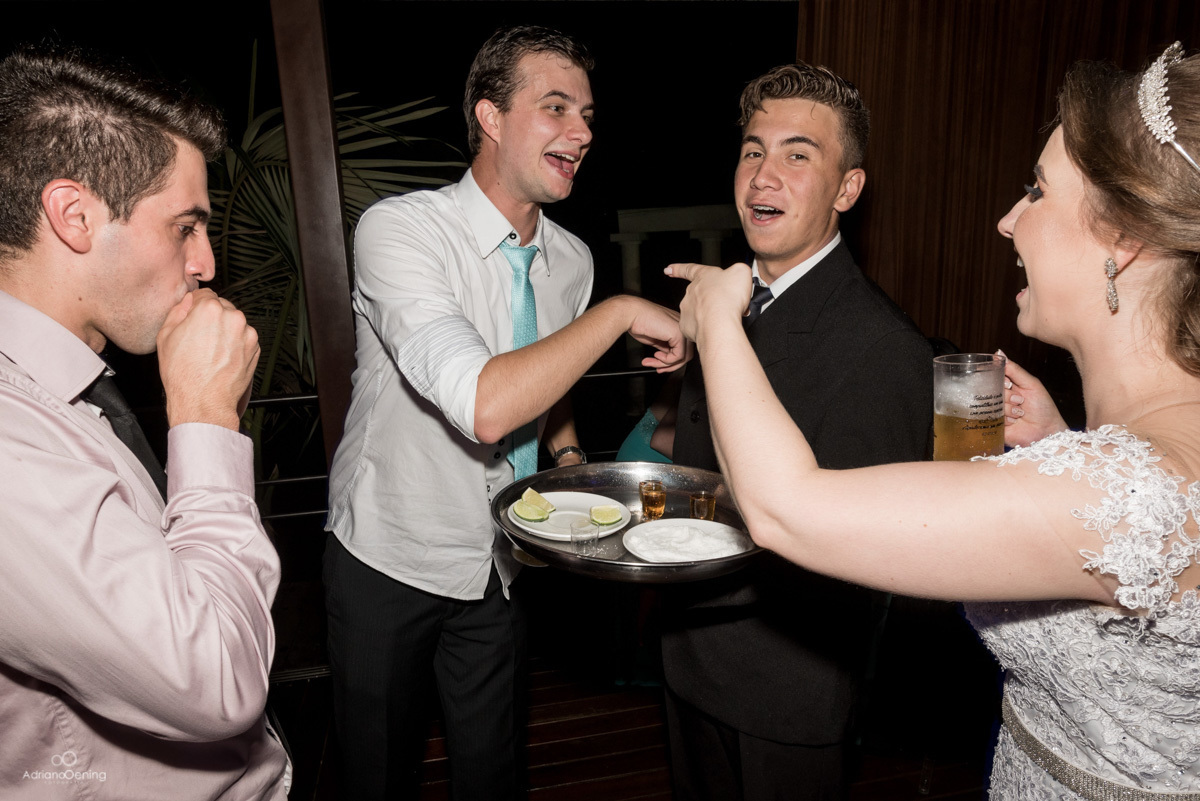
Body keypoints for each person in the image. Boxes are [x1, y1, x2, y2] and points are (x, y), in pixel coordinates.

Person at [669, 42, 1200, 800]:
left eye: (1038, 190)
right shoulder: (1117, 469)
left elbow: (786, 510)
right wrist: (1061, 447)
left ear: (1124, 238)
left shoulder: (1119, 491)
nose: (1008, 219)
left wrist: (717, 320)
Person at [323, 25, 687, 801]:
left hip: (503, 564)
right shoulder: (402, 229)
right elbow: (486, 405)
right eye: (555, 107)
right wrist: (621, 311)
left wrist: (564, 460)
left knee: (493, 775)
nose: (583, 132)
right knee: (374, 778)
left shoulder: (574, 260)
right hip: (391, 555)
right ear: (489, 117)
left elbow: (542, 386)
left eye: (587, 113)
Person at [0, 46, 289, 800]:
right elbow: (217, 679)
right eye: (185, 226)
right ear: (75, 216)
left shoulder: (70, 384)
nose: (207, 261)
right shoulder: (11, 442)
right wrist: (204, 417)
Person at [662, 63, 933, 801]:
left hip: (786, 698)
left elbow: (866, 553)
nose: (762, 176)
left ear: (848, 188)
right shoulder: (727, 300)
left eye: (797, 154)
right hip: (689, 660)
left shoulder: (886, 351)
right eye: (753, 150)